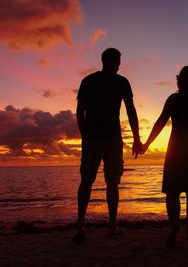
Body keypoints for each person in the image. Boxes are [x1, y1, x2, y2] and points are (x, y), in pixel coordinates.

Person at [141, 65, 188, 249]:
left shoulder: (174, 99)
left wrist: (147, 143)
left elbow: (160, 122)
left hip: (176, 149)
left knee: (173, 193)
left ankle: (175, 228)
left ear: (179, 80)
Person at [74, 48, 141, 242]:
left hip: (92, 138)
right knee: (112, 183)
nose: (120, 64)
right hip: (112, 139)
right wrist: (136, 138)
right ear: (116, 61)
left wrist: (84, 134)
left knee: (86, 181)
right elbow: (131, 111)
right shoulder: (121, 82)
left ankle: (80, 226)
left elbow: (80, 112)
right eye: (119, 61)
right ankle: (111, 226)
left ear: (103, 60)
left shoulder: (88, 81)